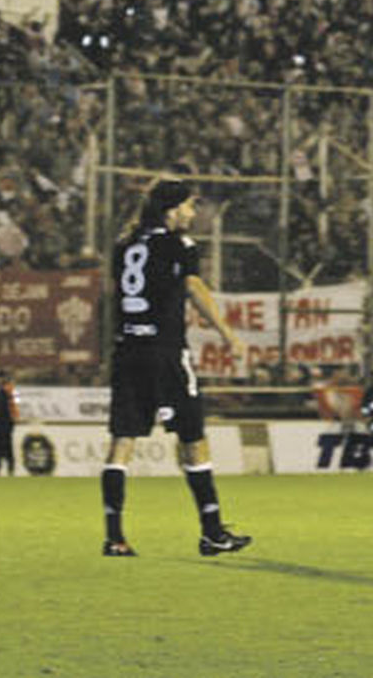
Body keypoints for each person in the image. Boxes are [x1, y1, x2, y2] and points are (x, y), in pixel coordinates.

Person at [100, 179, 252, 558]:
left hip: (127, 351)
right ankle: (212, 531)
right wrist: (228, 333)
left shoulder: (124, 246)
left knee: (122, 443)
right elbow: (195, 289)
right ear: (172, 210)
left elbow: (115, 295)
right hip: (165, 353)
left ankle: (115, 537)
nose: (192, 212)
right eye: (188, 206)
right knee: (192, 437)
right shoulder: (179, 245)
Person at [0, 377, 20, 476]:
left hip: (4, 425)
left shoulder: (11, 394)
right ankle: (2, 468)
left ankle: (3, 468)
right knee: (4, 448)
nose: (12, 386)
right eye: (10, 384)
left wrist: (14, 420)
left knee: (2, 448)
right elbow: (14, 409)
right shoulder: (2, 394)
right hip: (3, 425)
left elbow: (15, 409)